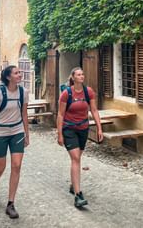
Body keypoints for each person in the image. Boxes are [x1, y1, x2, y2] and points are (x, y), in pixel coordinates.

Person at [0, 65, 30, 219]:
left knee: (16, 166)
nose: (20, 74)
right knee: (0, 167)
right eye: (16, 73)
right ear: (9, 77)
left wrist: (27, 134)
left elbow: (24, 114)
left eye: (19, 72)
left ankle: (11, 204)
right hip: (0, 133)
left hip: (17, 132)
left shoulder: (24, 92)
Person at [57, 67, 103, 208]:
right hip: (69, 129)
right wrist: (59, 134)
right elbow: (60, 114)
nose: (82, 76)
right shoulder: (66, 93)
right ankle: (78, 195)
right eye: (79, 74)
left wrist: (99, 128)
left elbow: (94, 110)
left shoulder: (88, 92)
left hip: (83, 129)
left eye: (83, 74)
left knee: (78, 158)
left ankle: (73, 184)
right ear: (73, 77)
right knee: (75, 158)